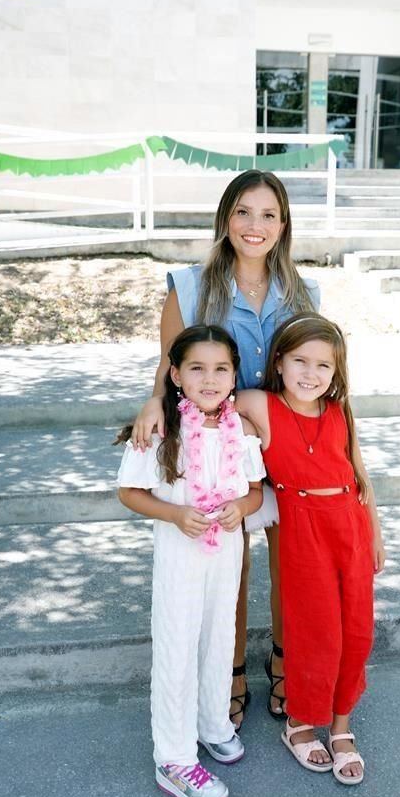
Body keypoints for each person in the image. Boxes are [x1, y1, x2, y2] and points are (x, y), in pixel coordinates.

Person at [131, 170, 321, 729]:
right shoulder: (189, 287)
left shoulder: (306, 293)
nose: (254, 225)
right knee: (227, 560)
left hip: (289, 443)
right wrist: (151, 402)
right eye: (243, 212)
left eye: (268, 214)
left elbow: (318, 371)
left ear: (283, 224)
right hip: (219, 447)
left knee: (293, 564)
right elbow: (169, 365)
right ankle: (229, 672)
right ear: (225, 218)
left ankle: (285, 663)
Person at [116, 325, 264, 797]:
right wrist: (176, 514)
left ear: (234, 374)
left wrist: (242, 507)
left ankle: (212, 724)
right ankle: (174, 758)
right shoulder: (161, 430)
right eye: (196, 368)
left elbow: (257, 490)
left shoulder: (239, 431)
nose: (210, 378)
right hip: (180, 558)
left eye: (221, 368)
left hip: (225, 556)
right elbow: (129, 492)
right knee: (178, 646)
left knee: (219, 638)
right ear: (175, 375)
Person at [235, 313, 386, 785]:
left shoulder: (338, 411)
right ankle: (300, 723)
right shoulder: (259, 404)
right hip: (303, 530)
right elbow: (205, 400)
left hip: (350, 526)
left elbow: (360, 475)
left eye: (324, 365)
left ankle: (341, 726)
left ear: (336, 372)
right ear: (278, 361)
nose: (311, 373)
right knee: (315, 631)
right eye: (300, 360)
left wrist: (375, 533)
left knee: (356, 632)